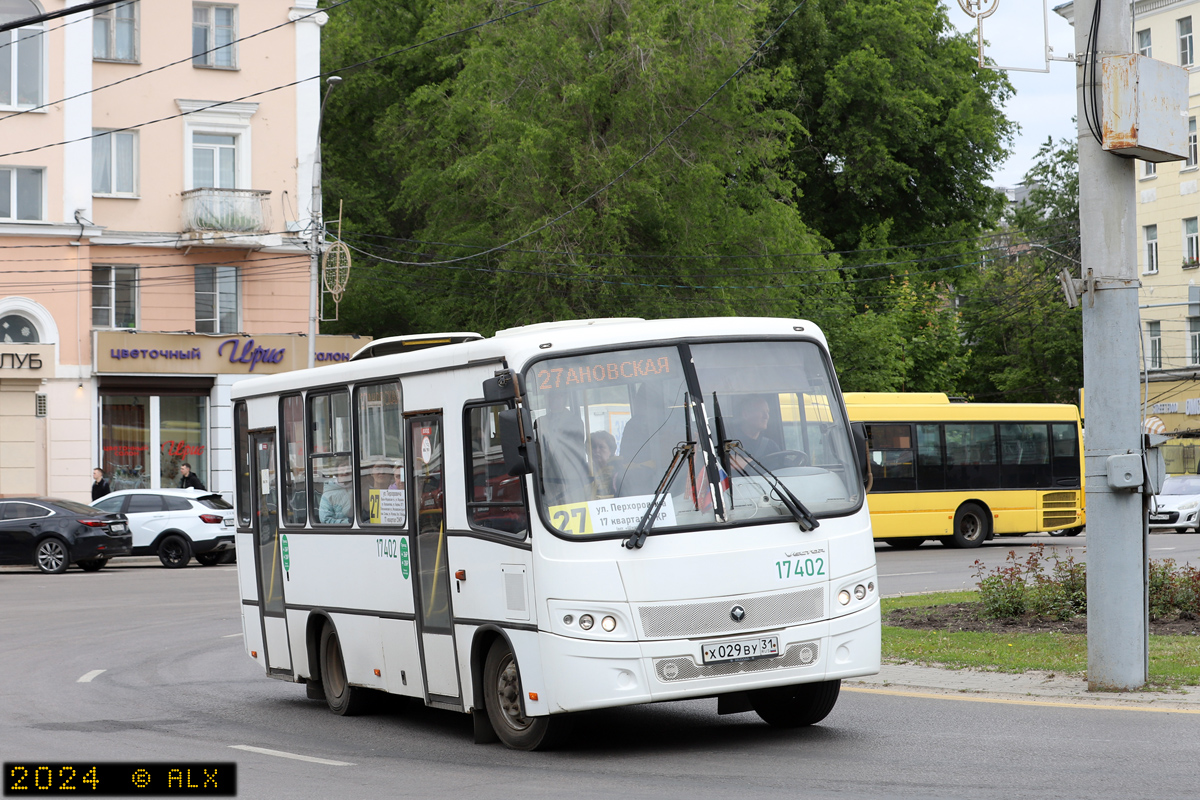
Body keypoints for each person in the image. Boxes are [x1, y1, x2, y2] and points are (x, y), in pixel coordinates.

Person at [731, 395, 781, 463]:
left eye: (767, 412)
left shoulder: (771, 446)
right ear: (746, 415)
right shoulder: (729, 443)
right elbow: (724, 461)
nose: (766, 416)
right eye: (761, 411)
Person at [589, 431, 620, 499]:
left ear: (611, 450)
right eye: (593, 447)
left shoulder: (620, 471)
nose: (597, 450)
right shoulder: (585, 471)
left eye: (601, 447)